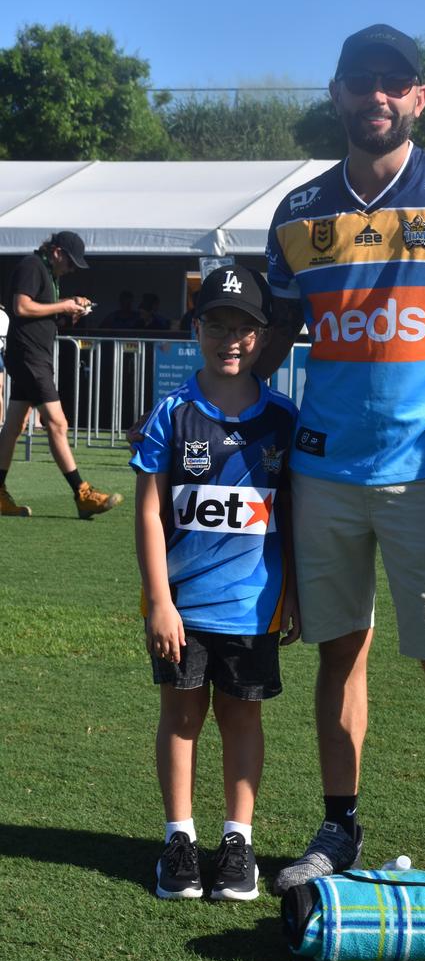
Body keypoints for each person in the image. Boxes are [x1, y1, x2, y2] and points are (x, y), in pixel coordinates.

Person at [259, 23, 425, 894]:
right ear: (335, 94)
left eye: (393, 81)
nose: (375, 94)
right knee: (341, 655)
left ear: (419, 97)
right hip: (325, 474)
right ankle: (339, 830)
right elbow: (274, 341)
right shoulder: (297, 212)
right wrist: (214, 418)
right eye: (358, 80)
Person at [130, 264, 300, 901]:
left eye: (244, 327)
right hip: (183, 608)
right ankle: (179, 838)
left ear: (262, 335)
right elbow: (149, 510)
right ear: (196, 327)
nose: (231, 338)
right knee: (180, 717)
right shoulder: (172, 413)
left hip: (254, 607)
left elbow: (296, 513)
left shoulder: (282, 418)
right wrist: (159, 602)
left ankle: (237, 842)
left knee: (242, 719)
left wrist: (298, 596)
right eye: (217, 324)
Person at [0, 232, 123, 518]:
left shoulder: (47, 272)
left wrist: (68, 312)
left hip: (33, 356)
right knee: (57, 422)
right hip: (29, 357)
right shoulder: (32, 266)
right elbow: (21, 306)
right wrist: (63, 305)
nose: (71, 269)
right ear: (56, 252)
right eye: (70, 262)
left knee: (14, 426)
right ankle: (82, 492)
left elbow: (37, 313)